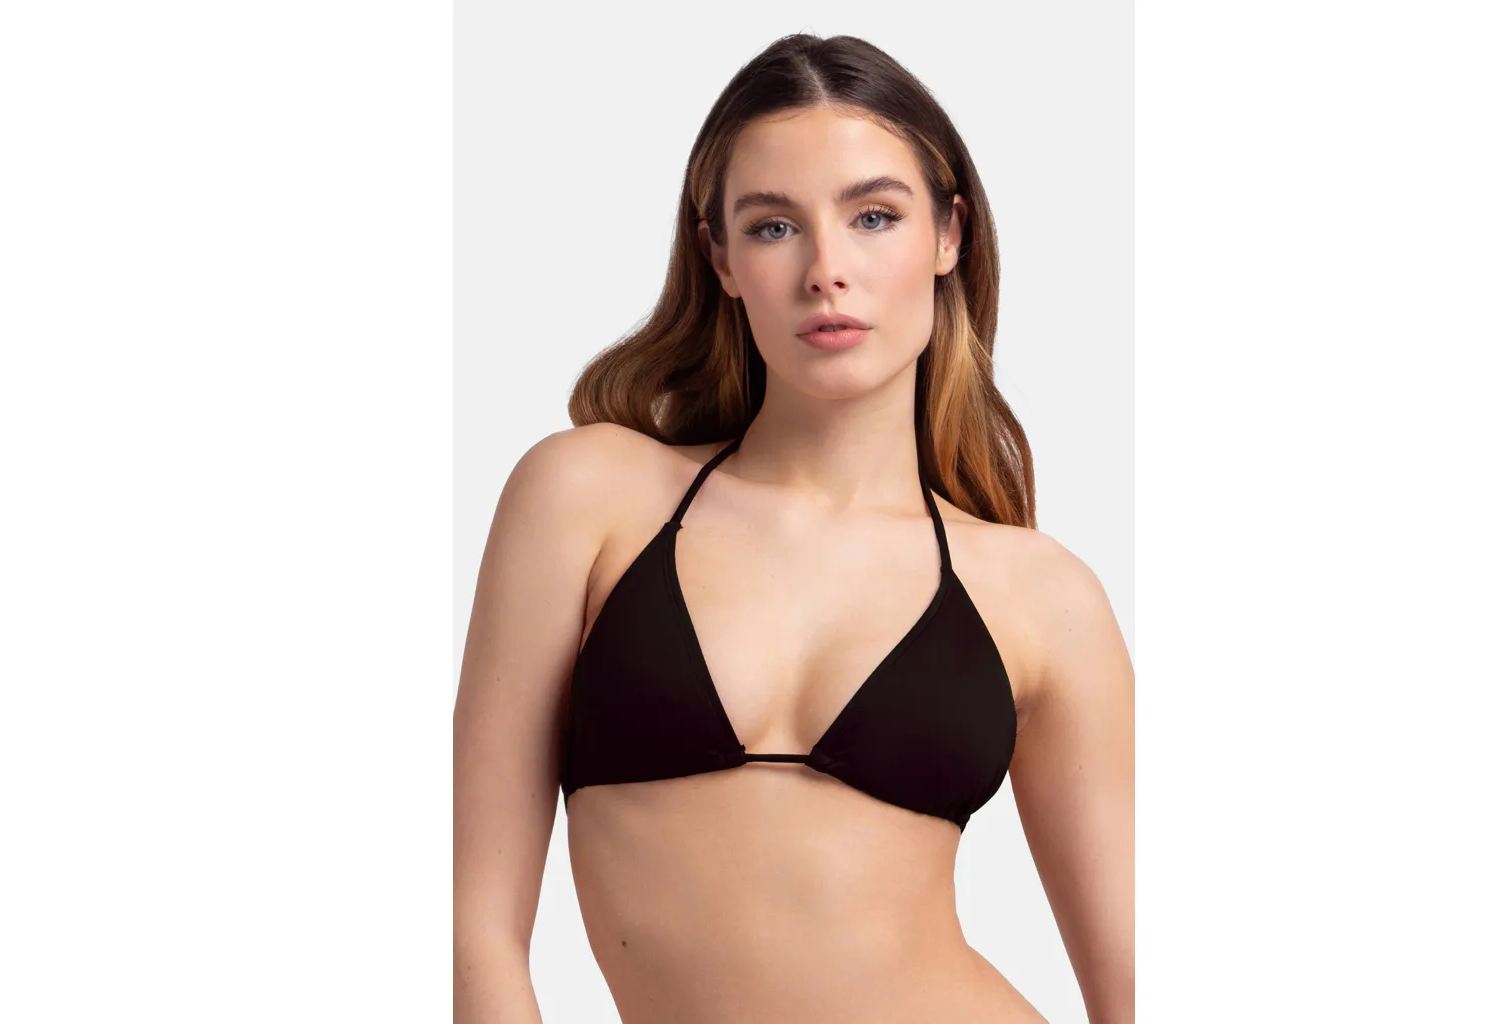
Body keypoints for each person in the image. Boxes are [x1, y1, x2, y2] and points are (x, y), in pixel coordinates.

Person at [454, 32, 1132, 1024]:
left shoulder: (1042, 597)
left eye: (874, 216)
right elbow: (476, 930)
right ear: (720, 257)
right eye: (774, 226)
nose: (827, 269)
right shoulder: (586, 500)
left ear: (949, 236)